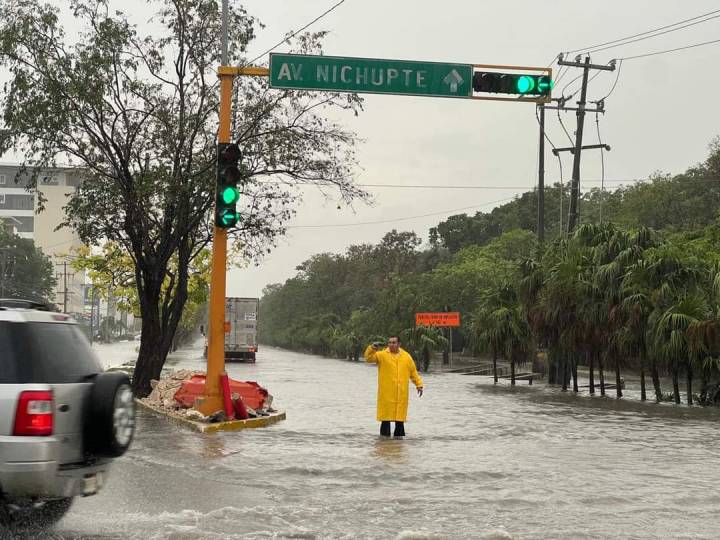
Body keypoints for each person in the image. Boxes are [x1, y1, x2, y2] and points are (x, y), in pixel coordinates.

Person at [364, 336, 424, 437]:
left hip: (401, 394)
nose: (391, 344)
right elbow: (369, 358)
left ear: (399, 344)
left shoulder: (406, 357)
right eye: (389, 342)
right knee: (385, 422)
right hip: (386, 394)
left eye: (393, 342)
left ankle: (398, 447)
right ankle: (384, 447)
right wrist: (372, 347)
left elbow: (413, 372)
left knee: (399, 423)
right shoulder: (382, 355)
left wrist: (419, 384)